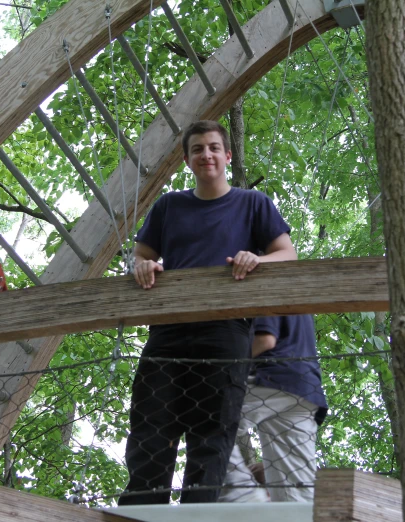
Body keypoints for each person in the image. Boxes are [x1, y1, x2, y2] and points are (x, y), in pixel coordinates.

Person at [118, 120, 297, 505]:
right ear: (187, 159)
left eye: (214, 147)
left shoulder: (253, 203)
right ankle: (140, 512)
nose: (207, 155)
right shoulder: (169, 206)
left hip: (226, 328)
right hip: (168, 327)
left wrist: (258, 259)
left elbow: (288, 253)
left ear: (227, 156)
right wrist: (145, 266)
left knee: (212, 431)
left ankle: (198, 513)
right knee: (152, 421)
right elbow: (142, 255)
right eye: (197, 149)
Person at [219, 314, 328, 503]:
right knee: (294, 480)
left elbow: (265, 340)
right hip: (306, 389)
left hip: (273, 378)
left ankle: (243, 493)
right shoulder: (302, 303)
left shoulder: (268, 291)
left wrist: (227, 367)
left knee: (208, 417)